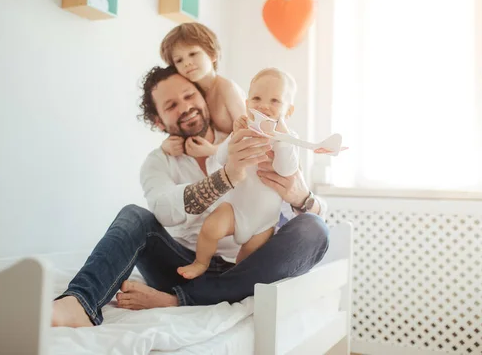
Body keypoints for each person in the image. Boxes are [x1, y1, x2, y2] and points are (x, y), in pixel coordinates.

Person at [51, 66, 329, 328]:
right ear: (159, 120)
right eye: (171, 105)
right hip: (181, 266)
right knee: (132, 215)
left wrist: (300, 195)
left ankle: (176, 301)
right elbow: (164, 213)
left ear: (204, 98)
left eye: (189, 95)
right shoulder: (159, 162)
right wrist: (227, 174)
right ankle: (80, 302)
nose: (185, 107)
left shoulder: (255, 136)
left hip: (247, 268)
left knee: (316, 229)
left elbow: (317, 210)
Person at [177, 67, 302, 279]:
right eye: (257, 98)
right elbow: (220, 158)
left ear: (288, 111)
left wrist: (282, 140)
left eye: (275, 101)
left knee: (247, 260)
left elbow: (287, 170)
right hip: (235, 210)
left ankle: (233, 279)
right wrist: (234, 136)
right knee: (210, 229)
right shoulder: (243, 133)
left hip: (264, 221)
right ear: (247, 104)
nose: (264, 105)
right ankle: (200, 262)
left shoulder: (289, 139)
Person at [159, 22, 245, 158]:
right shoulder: (192, 95)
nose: (187, 62)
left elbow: (249, 134)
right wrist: (166, 145)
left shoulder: (227, 88)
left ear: (212, 54)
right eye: (179, 60)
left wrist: (214, 150)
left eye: (193, 53)